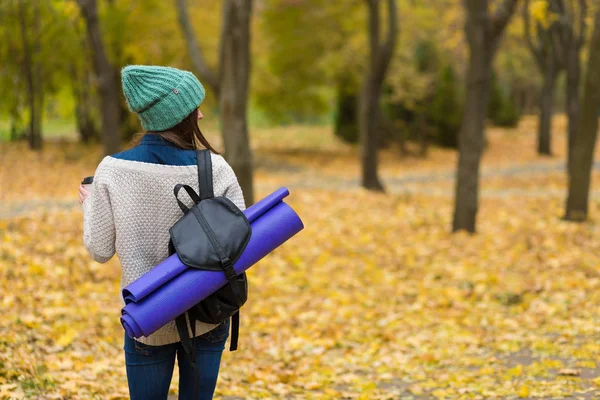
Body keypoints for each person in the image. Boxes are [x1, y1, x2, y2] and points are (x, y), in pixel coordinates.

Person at [78, 65, 246, 400]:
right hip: (207, 312)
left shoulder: (112, 170)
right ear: (179, 113)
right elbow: (240, 241)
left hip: (148, 318)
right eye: (194, 107)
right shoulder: (216, 166)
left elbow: (99, 250)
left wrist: (89, 205)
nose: (200, 115)